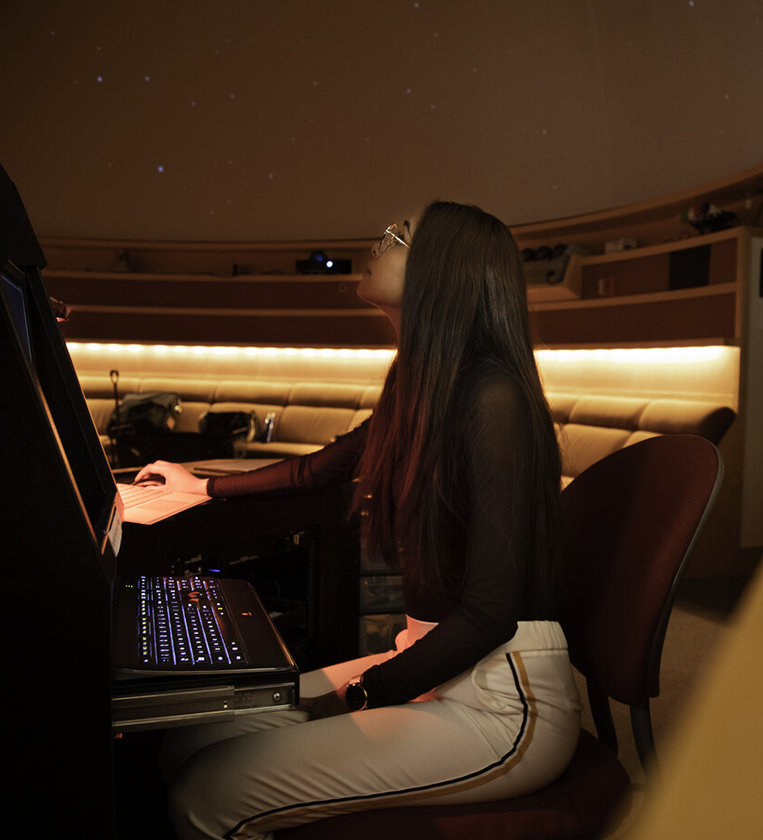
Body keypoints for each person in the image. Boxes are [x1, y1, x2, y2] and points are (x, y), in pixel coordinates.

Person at [135, 201, 582, 840]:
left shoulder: (494, 397)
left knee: (203, 797)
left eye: (399, 235)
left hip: (501, 700)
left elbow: (489, 615)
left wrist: (362, 695)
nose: (379, 241)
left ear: (441, 271)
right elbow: (320, 469)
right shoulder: (420, 384)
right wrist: (202, 484)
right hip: (434, 664)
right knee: (193, 738)